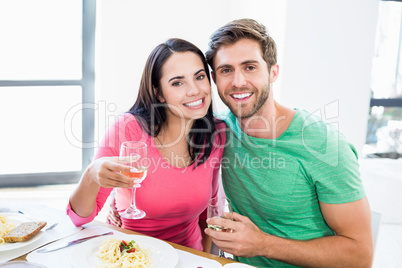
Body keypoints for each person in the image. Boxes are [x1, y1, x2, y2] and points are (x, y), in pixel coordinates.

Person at [203, 19, 373, 267]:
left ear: (273, 72)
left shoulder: (324, 144)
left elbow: (361, 255)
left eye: (250, 67)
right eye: (226, 70)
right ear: (214, 78)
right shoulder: (220, 129)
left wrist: (262, 244)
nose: (238, 81)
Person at [67, 38, 226, 253]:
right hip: (131, 256)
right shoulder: (128, 129)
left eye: (199, 77)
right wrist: (91, 174)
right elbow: (78, 218)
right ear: (158, 93)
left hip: (188, 256)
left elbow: (208, 214)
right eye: (177, 82)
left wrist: (207, 261)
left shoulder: (217, 134)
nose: (195, 90)